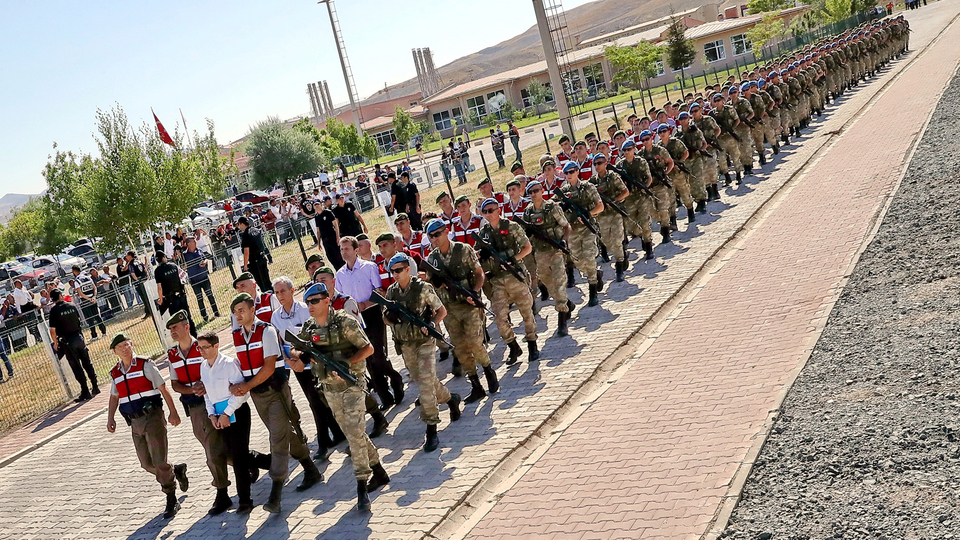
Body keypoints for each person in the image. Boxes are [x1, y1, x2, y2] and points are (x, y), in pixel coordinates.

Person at [292, 283, 390, 512]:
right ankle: (379, 472)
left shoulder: (345, 321)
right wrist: (303, 356)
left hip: (352, 385)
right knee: (354, 434)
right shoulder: (310, 326)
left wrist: (347, 363)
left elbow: (368, 349)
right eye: (308, 302)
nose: (311, 306)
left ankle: (361, 485)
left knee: (355, 434)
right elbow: (296, 347)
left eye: (315, 301)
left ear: (327, 300)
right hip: (329, 388)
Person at [228, 292, 322, 513]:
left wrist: (246, 386)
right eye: (235, 312)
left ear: (253, 310)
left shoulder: (266, 331)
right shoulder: (237, 335)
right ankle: (310, 469)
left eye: (242, 310)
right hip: (257, 395)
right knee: (284, 432)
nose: (238, 315)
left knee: (277, 439)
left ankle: (276, 492)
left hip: (275, 391)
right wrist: (237, 385)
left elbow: (269, 367)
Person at [105, 333, 189, 519]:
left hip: (152, 418)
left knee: (159, 461)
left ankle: (171, 497)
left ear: (131, 344)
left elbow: (163, 389)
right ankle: (175, 471)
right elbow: (114, 397)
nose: (125, 349)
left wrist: (173, 412)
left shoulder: (145, 364)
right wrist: (110, 418)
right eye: (120, 347)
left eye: (127, 345)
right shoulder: (116, 372)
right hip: (134, 422)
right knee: (146, 463)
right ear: (114, 352)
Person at [383, 254, 461, 452]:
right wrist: (392, 318)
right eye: (392, 272)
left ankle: (431, 428)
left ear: (408, 269)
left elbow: (441, 310)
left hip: (424, 342)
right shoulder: (392, 292)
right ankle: (451, 399)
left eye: (399, 270)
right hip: (405, 344)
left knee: (425, 384)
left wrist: (432, 323)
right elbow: (386, 319)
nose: (395, 275)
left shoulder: (423, 288)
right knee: (425, 380)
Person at [270, 275, 347, 460]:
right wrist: (290, 362)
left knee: (317, 402)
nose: (280, 295)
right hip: (298, 367)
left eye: (283, 291)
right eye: (277, 292)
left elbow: (316, 337)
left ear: (292, 291)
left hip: (314, 362)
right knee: (317, 401)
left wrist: (303, 360)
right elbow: (280, 344)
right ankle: (337, 433)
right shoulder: (275, 317)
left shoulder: (305, 310)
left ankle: (323, 443)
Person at [165, 311, 234, 514]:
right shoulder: (172, 355)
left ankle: (222, 492)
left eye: (175, 328)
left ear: (187, 327)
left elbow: (219, 367)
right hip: (194, 407)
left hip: (214, 403)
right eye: (170, 330)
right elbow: (175, 384)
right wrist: (192, 390)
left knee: (212, 451)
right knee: (212, 445)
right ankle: (252, 461)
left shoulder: (202, 346)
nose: (173, 332)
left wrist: (207, 386)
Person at [423, 219, 499, 403]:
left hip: (469, 305)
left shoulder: (463, 249)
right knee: (460, 348)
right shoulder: (432, 259)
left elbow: (479, 273)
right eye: (430, 236)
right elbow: (430, 281)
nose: (434, 238)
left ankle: (488, 370)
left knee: (474, 342)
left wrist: (475, 291)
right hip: (450, 310)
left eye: (437, 234)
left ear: (446, 231)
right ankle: (475, 385)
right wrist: (436, 283)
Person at [336, 236, 405, 409]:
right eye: (342, 249)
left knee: (378, 356)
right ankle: (385, 397)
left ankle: (395, 379)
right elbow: (341, 299)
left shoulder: (369, 267)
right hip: (354, 319)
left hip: (372, 314)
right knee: (368, 360)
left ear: (356, 250)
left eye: (347, 249)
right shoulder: (340, 274)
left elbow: (380, 292)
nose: (344, 252)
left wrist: (365, 304)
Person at [476, 198, 539, 364]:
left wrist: (514, 260)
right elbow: (477, 257)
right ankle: (513, 346)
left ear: (499, 210)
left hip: (515, 276)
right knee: (499, 318)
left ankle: (532, 344)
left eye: (492, 210)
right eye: (485, 211)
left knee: (527, 313)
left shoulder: (511, 227)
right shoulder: (483, 234)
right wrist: (481, 255)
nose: (489, 214)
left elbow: (527, 248)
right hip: (497, 281)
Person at [522, 180, 574, 336]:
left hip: (555, 250)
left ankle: (562, 320)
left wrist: (564, 242)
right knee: (546, 282)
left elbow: (566, 226)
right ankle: (566, 303)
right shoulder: (528, 211)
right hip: (540, 253)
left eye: (536, 190)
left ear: (542, 190)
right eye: (530, 192)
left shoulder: (552, 207)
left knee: (559, 283)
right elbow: (526, 235)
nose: (533, 194)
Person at [559, 162, 605, 306]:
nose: (569, 175)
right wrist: (562, 206)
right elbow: (556, 209)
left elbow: (600, 206)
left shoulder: (588, 187)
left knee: (589, 257)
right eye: (566, 173)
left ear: (577, 172)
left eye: (572, 172)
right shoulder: (563, 191)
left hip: (587, 228)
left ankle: (593, 292)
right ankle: (595, 274)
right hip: (573, 230)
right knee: (578, 261)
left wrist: (588, 214)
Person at [48, 289, 98, 401]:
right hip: (78, 337)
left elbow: (52, 330)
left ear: (52, 299)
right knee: (87, 362)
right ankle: (95, 386)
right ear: (61, 296)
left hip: (67, 341)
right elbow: (78, 320)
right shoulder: (71, 305)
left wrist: (55, 343)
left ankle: (85, 391)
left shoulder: (54, 311)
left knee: (76, 366)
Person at [589, 153, 630, 282]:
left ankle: (619, 269)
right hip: (602, 216)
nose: (597, 166)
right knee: (606, 241)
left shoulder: (613, 177)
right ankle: (622, 255)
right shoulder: (593, 182)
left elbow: (625, 192)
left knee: (617, 240)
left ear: (606, 163)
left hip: (615, 213)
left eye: (600, 163)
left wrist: (614, 200)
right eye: (595, 164)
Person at [153, 252, 196, 337]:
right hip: (181, 295)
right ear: (164, 257)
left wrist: (161, 300)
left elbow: (159, 287)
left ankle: (183, 336)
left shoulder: (158, 271)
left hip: (171, 299)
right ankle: (194, 335)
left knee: (176, 320)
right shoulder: (173, 265)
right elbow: (182, 278)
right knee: (187, 316)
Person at [182, 237, 220, 322]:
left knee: (210, 295)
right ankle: (204, 316)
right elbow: (182, 266)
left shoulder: (199, 250)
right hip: (194, 280)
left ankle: (216, 312)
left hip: (204, 277)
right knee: (200, 298)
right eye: (193, 242)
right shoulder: (184, 255)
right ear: (188, 244)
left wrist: (205, 262)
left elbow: (205, 258)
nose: (195, 243)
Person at [70, 265, 107, 341]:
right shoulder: (88, 278)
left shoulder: (77, 281)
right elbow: (95, 288)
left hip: (85, 301)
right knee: (97, 315)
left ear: (74, 271)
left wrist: (88, 299)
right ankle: (103, 331)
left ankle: (94, 335)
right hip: (93, 299)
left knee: (89, 319)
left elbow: (80, 293)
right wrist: (93, 297)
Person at [236, 216, 272, 292]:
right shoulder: (256, 230)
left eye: (239, 224)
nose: (239, 227)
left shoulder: (246, 235)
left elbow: (246, 251)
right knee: (267, 280)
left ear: (242, 224)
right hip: (262, 257)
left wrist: (245, 265)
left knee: (261, 282)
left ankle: (267, 299)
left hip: (254, 261)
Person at [316, 196, 345, 269]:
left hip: (332, 237)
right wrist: (319, 243)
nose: (317, 208)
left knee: (338, 256)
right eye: (315, 207)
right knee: (331, 257)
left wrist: (338, 237)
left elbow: (335, 225)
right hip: (325, 240)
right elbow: (318, 230)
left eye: (318, 205)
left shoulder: (328, 212)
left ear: (321, 205)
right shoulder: (317, 217)